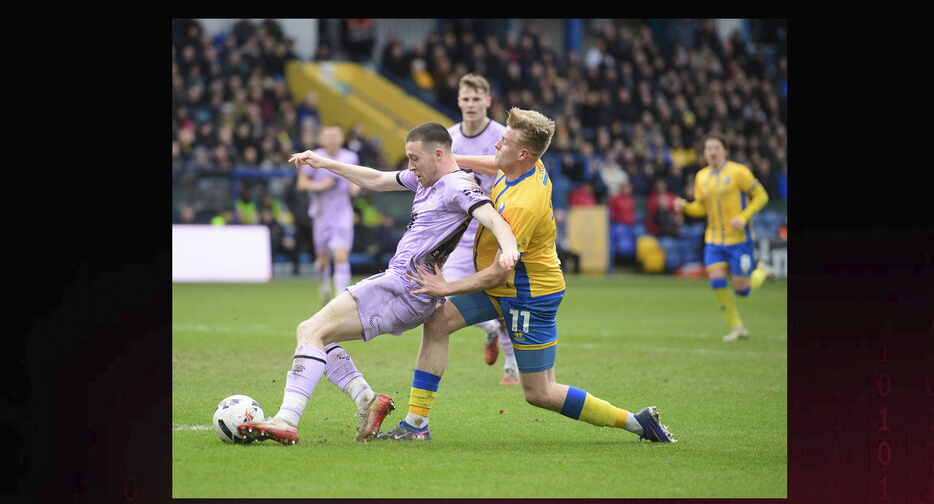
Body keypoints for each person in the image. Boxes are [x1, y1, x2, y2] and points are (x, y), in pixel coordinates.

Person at [378, 108, 676, 444]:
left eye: (503, 141)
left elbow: (497, 273)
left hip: (528, 295)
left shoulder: (524, 204)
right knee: (436, 322)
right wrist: (453, 158)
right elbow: (494, 166)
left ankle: (638, 423)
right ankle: (416, 424)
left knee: (540, 393)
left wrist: (445, 286)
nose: (495, 145)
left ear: (522, 153)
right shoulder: (522, 165)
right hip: (505, 287)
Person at [237, 122, 520, 445]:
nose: (410, 167)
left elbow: (493, 218)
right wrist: (323, 161)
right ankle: (369, 401)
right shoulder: (426, 179)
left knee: (310, 331)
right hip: (400, 285)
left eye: (415, 158)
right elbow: (376, 178)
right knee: (317, 336)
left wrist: (509, 249)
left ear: (439, 154)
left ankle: (287, 420)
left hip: (403, 288)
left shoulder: (457, 185)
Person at [443, 73, 519, 386]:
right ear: (459, 101)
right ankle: (487, 328)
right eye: (466, 98)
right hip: (459, 234)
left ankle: (512, 368)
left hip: (495, 231)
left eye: (477, 99)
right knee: (438, 299)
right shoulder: (447, 138)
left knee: (503, 301)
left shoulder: (502, 136)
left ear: (488, 101)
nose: (471, 104)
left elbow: (510, 170)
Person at [673, 132, 770, 342]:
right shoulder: (701, 177)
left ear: (725, 150)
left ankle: (761, 270)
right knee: (717, 282)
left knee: (742, 290)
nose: (712, 152)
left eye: (716, 147)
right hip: (715, 238)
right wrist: (686, 208)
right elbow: (702, 208)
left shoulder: (739, 172)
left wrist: (744, 216)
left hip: (739, 239)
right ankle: (737, 327)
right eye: (708, 148)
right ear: (704, 153)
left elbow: (762, 196)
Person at [297, 125, 362, 304]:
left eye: (335, 136)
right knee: (322, 259)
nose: (332, 139)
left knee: (341, 255)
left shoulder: (350, 157)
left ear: (342, 139)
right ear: (321, 139)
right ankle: (324, 287)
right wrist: (320, 186)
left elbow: (357, 178)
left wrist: (355, 187)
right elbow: (302, 183)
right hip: (321, 213)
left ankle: (341, 298)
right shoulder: (313, 156)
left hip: (342, 213)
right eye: (328, 136)